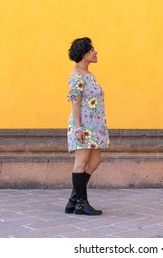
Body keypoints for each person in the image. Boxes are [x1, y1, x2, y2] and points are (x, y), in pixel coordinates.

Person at [64, 37, 110, 215]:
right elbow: (75, 102)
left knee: (95, 162)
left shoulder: (88, 74)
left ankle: (73, 199)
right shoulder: (76, 75)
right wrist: (77, 127)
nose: (95, 52)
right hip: (83, 125)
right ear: (84, 54)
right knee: (81, 162)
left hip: (96, 125)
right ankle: (81, 203)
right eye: (92, 50)